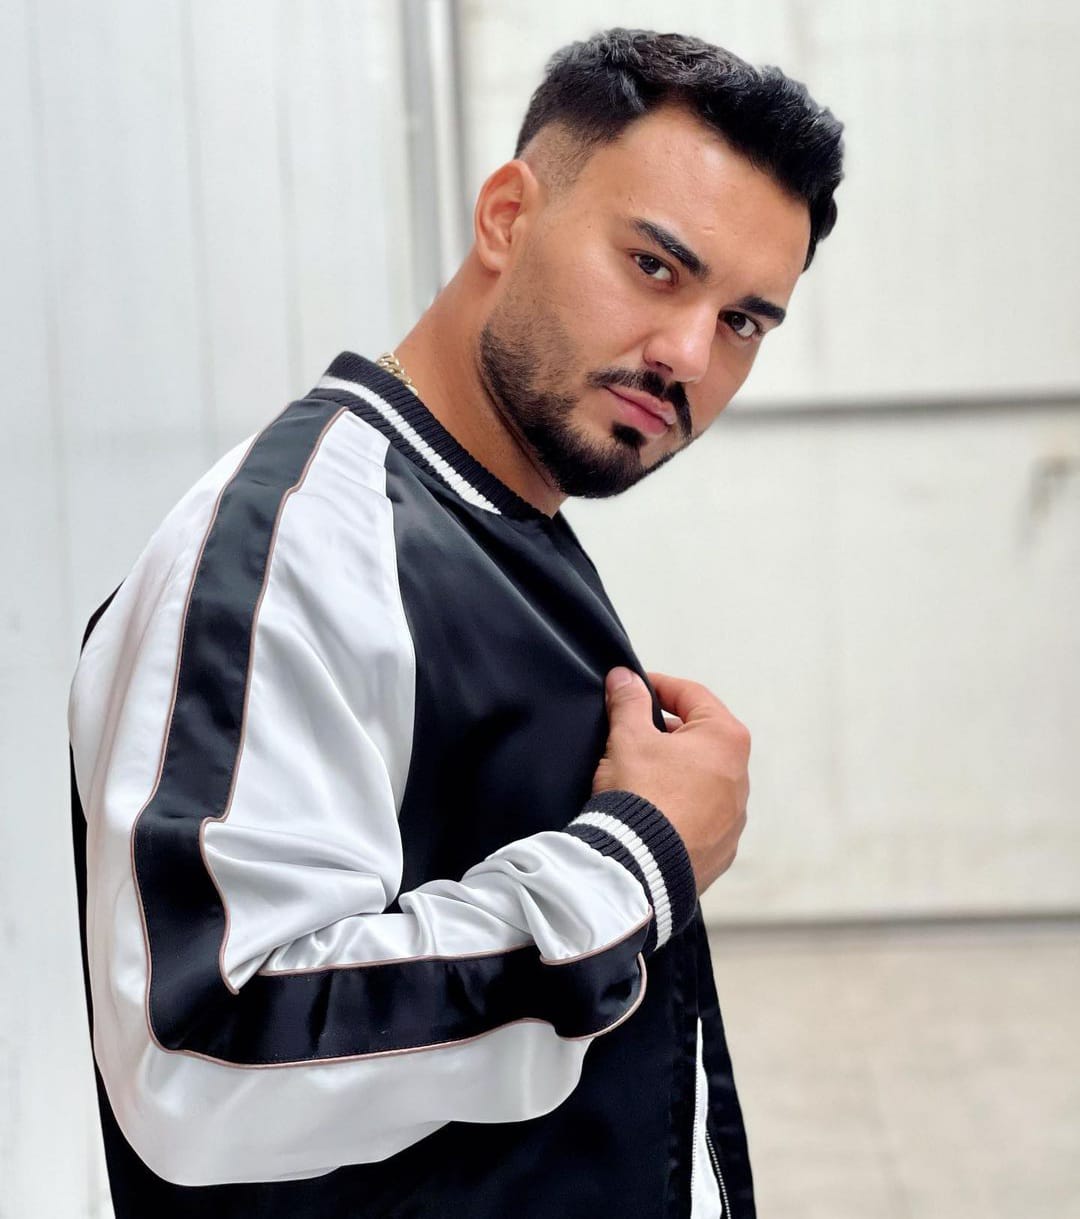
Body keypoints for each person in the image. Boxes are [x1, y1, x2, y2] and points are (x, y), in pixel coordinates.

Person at [68, 26, 843, 1219]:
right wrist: (636, 856)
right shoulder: (297, 545)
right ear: (506, 217)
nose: (689, 353)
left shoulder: (490, 512)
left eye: (743, 321)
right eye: (654, 266)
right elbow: (205, 1052)